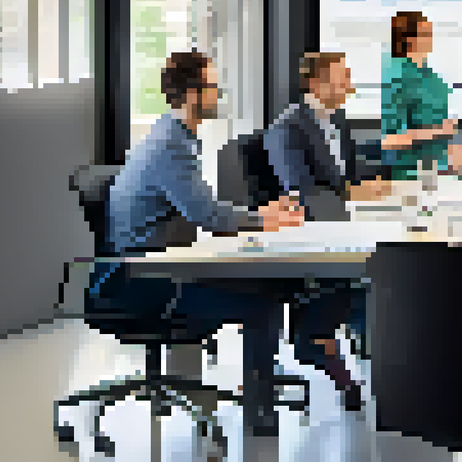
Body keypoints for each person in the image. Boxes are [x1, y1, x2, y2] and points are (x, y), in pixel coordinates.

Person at [91, 51, 305, 435]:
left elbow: (204, 208)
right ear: (191, 95)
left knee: (261, 286)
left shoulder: (174, 136)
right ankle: (260, 415)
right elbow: (210, 218)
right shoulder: (171, 146)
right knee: (263, 303)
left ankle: (257, 394)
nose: (218, 95)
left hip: (150, 268)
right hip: (142, 282)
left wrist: (260, 213)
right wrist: (264, 220)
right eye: (212, 87)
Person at [263, 51, 379, 411]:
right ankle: (322, 338)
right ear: (315, 83)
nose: (349, 85)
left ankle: (372, 343)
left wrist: (379, 184)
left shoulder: (337, 120)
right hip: (313, 229)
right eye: (342, 78)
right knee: (372, 279)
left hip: (342, 221)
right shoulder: (288, 129)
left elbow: (352, 171)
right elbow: (300, 188)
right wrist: (351, 193)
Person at [381, 10, 462, 179]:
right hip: (412, 172)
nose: (431, 39)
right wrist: (438, 131)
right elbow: (391, 140)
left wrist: (452, 153)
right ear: (409, 40)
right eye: (425, 34)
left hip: (439, 168)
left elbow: (438, 130)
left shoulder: (432, 78)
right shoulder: (398, 76)